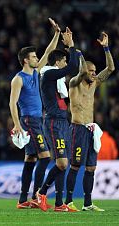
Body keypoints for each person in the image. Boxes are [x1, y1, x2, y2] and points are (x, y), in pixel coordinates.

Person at [9, 18, 60, 209]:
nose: (37, 58)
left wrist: (56, 35)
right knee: (45, 157)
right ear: (25, 60)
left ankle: (23, 199)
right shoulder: (18, 79)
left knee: (30, 159)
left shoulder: (36, 72)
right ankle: (38, 194)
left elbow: (48, 52)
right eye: (33, 57)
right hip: (29, 120)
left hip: (38, 119)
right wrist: (17, 124)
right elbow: (12, 103)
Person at [64, 32, 115, 211]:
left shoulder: (94, 84)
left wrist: (106, 48)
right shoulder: (74, 83)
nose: (93, 74)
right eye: (91, 71)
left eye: (94, 72)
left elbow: (110, 69)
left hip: (91, 130)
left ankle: (87, 203)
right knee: (76, 165)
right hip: (77, 129)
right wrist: (78, 53)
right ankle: (68, 201)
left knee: (91, 168)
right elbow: (83, 71)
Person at [36, 27, 80, 212]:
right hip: (53, 121)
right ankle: (42, 192)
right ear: (57, 62)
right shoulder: (48, 73)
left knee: (63, 163)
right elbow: (74, 67)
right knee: (62, 163)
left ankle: (59, 203)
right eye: (63, 60)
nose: (65, 64)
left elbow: (71, 67)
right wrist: (71, 46)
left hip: (62, 121)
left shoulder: (55, 76)